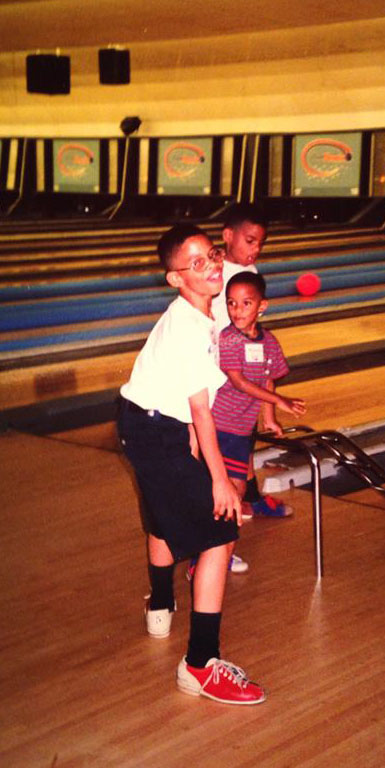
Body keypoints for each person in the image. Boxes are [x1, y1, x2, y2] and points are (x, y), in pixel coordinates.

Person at [117, 223, 265, 705]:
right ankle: (200, 664)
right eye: (196, 262)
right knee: (222, 531)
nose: (212, 266)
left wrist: (197, 455)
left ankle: (160, 603)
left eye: (213, 255)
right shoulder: (187, 324)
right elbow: (200, 410)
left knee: (163, 514)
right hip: (152, 428)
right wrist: (221, 482)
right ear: (176, 278)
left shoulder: (202, 317)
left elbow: (187, 408)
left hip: (149, 422)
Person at [214, 203, 295, 522]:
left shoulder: (250, 274)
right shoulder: (215, 272)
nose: (256, 249)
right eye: (250, 240)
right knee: (225, 451)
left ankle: (249, 497)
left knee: (241, 440)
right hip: (217, 378)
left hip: (240, 374)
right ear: (228, 236)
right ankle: (228, 514)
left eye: (261, 242)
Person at [211, 272, 306, 511]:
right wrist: (279, 400)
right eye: (231, 303)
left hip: (242, 429)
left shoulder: (270, 342)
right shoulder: (229, 338)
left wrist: (270, 418)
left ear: (261, 306)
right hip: (219, 424)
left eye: (246, 303)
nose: (237, 310)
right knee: (232, 490)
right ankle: (219, 545)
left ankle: (220, 543)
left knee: (236, 491)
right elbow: (238, 381)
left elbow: (268, 380)